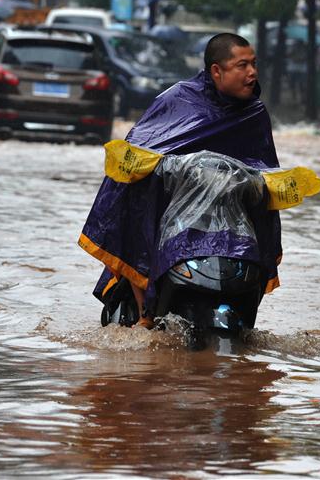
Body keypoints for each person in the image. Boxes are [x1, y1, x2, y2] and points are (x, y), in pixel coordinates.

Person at [79, 33, 281, 328]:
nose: (252, 73)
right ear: (217, 71)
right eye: (242, 65)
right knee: (132, 193)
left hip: (230, 220)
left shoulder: (254, 113)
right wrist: (162, 167)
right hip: (172, 212)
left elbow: (263, 168)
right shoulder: (177, 100)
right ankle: (144, 313)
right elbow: (138, 150)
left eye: (254, 64)